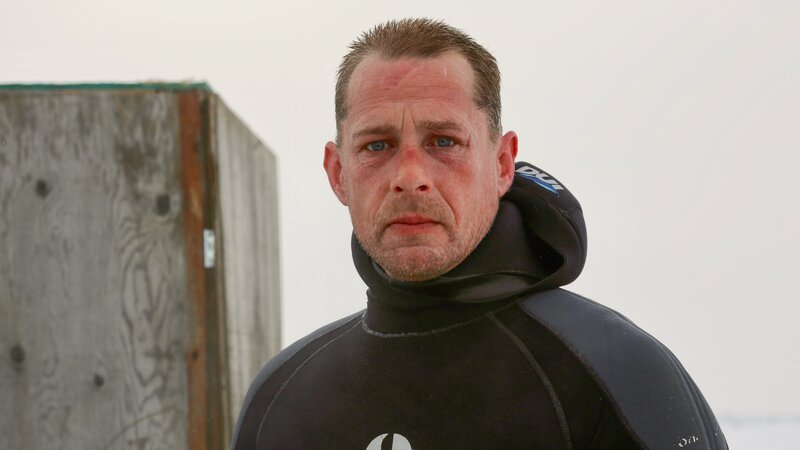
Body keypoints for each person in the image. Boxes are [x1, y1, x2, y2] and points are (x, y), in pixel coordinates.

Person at [231, 18, 727, 449]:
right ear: (338, 173)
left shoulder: (616, 377)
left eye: (443, 141)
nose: (410, 174)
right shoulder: (280, 399)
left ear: (503, 163)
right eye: (377, 144)